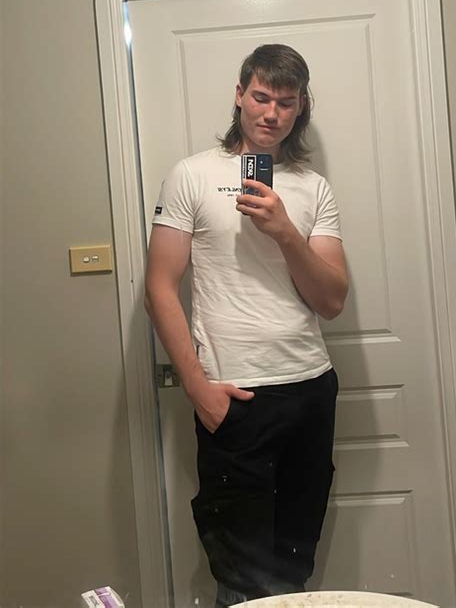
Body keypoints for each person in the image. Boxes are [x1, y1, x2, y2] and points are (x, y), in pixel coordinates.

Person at [144, 43, 348, 608]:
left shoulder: (312, 187)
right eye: (261, 97)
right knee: (240, 576)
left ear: (301, 106)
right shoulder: (192, 175)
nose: (271, 113)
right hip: (235, 395)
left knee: (293, 565)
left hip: (310, 387)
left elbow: (331, 300)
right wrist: (197, 389)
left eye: (286, 102)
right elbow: (159, 287)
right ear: (239, 95)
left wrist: (285, 232)